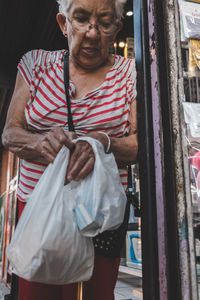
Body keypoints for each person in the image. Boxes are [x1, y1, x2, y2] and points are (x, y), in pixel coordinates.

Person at [2, 0, 138, 299]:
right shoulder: (36, 64)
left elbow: (140, 146)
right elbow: (10, 134)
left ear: (117, 27)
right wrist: (40, 142)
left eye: (104, 22)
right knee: (38, 291)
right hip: (41, 210)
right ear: (64, 24)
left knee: (97, 294)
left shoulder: (130, 72)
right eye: (81, 19)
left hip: (100, 216)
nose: (92, 33)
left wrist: (102, 142)